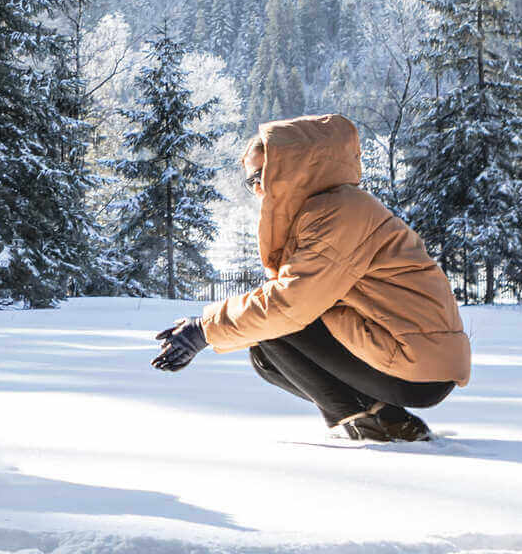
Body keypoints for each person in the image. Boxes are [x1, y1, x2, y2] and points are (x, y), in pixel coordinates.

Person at [151, 113, 470, 441]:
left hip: (417, 362)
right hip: (413, 354)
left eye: (260, 176)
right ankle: (384, 418)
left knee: (275, 328)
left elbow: (288, 304)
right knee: (265, 355)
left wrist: (205, 329)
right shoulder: (324, 210)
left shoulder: (337, 215)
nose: (257, 188)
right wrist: (214, 332)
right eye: (251, 182)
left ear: (290, 169)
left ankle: (367, 424)